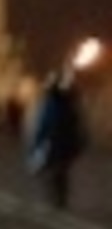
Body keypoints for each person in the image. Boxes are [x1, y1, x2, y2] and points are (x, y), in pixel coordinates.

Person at [26, 68, 88, 210]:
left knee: (55, 169)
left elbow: (46, 123)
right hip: (65, 142)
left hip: (58, 141)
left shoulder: (57, 103)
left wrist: (38, 141)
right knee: (59, 170)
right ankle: (59, 197)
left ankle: (58, 197)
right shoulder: (68, 102)